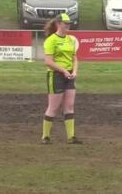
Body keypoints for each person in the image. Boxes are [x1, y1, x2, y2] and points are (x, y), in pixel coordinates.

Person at [41, 13, 82, 145]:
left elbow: (74, 58)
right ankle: (45, 136)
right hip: (56, 75)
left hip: (69, 75)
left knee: (69, 106)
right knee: (53, 107)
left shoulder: (71, 39)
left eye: (69, 23)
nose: (68, 25)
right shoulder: (51, 40)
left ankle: (71, 137)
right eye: (66, 23)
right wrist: (63, 70)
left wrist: (74, 71)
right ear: (58, 24)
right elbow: (48, 61)